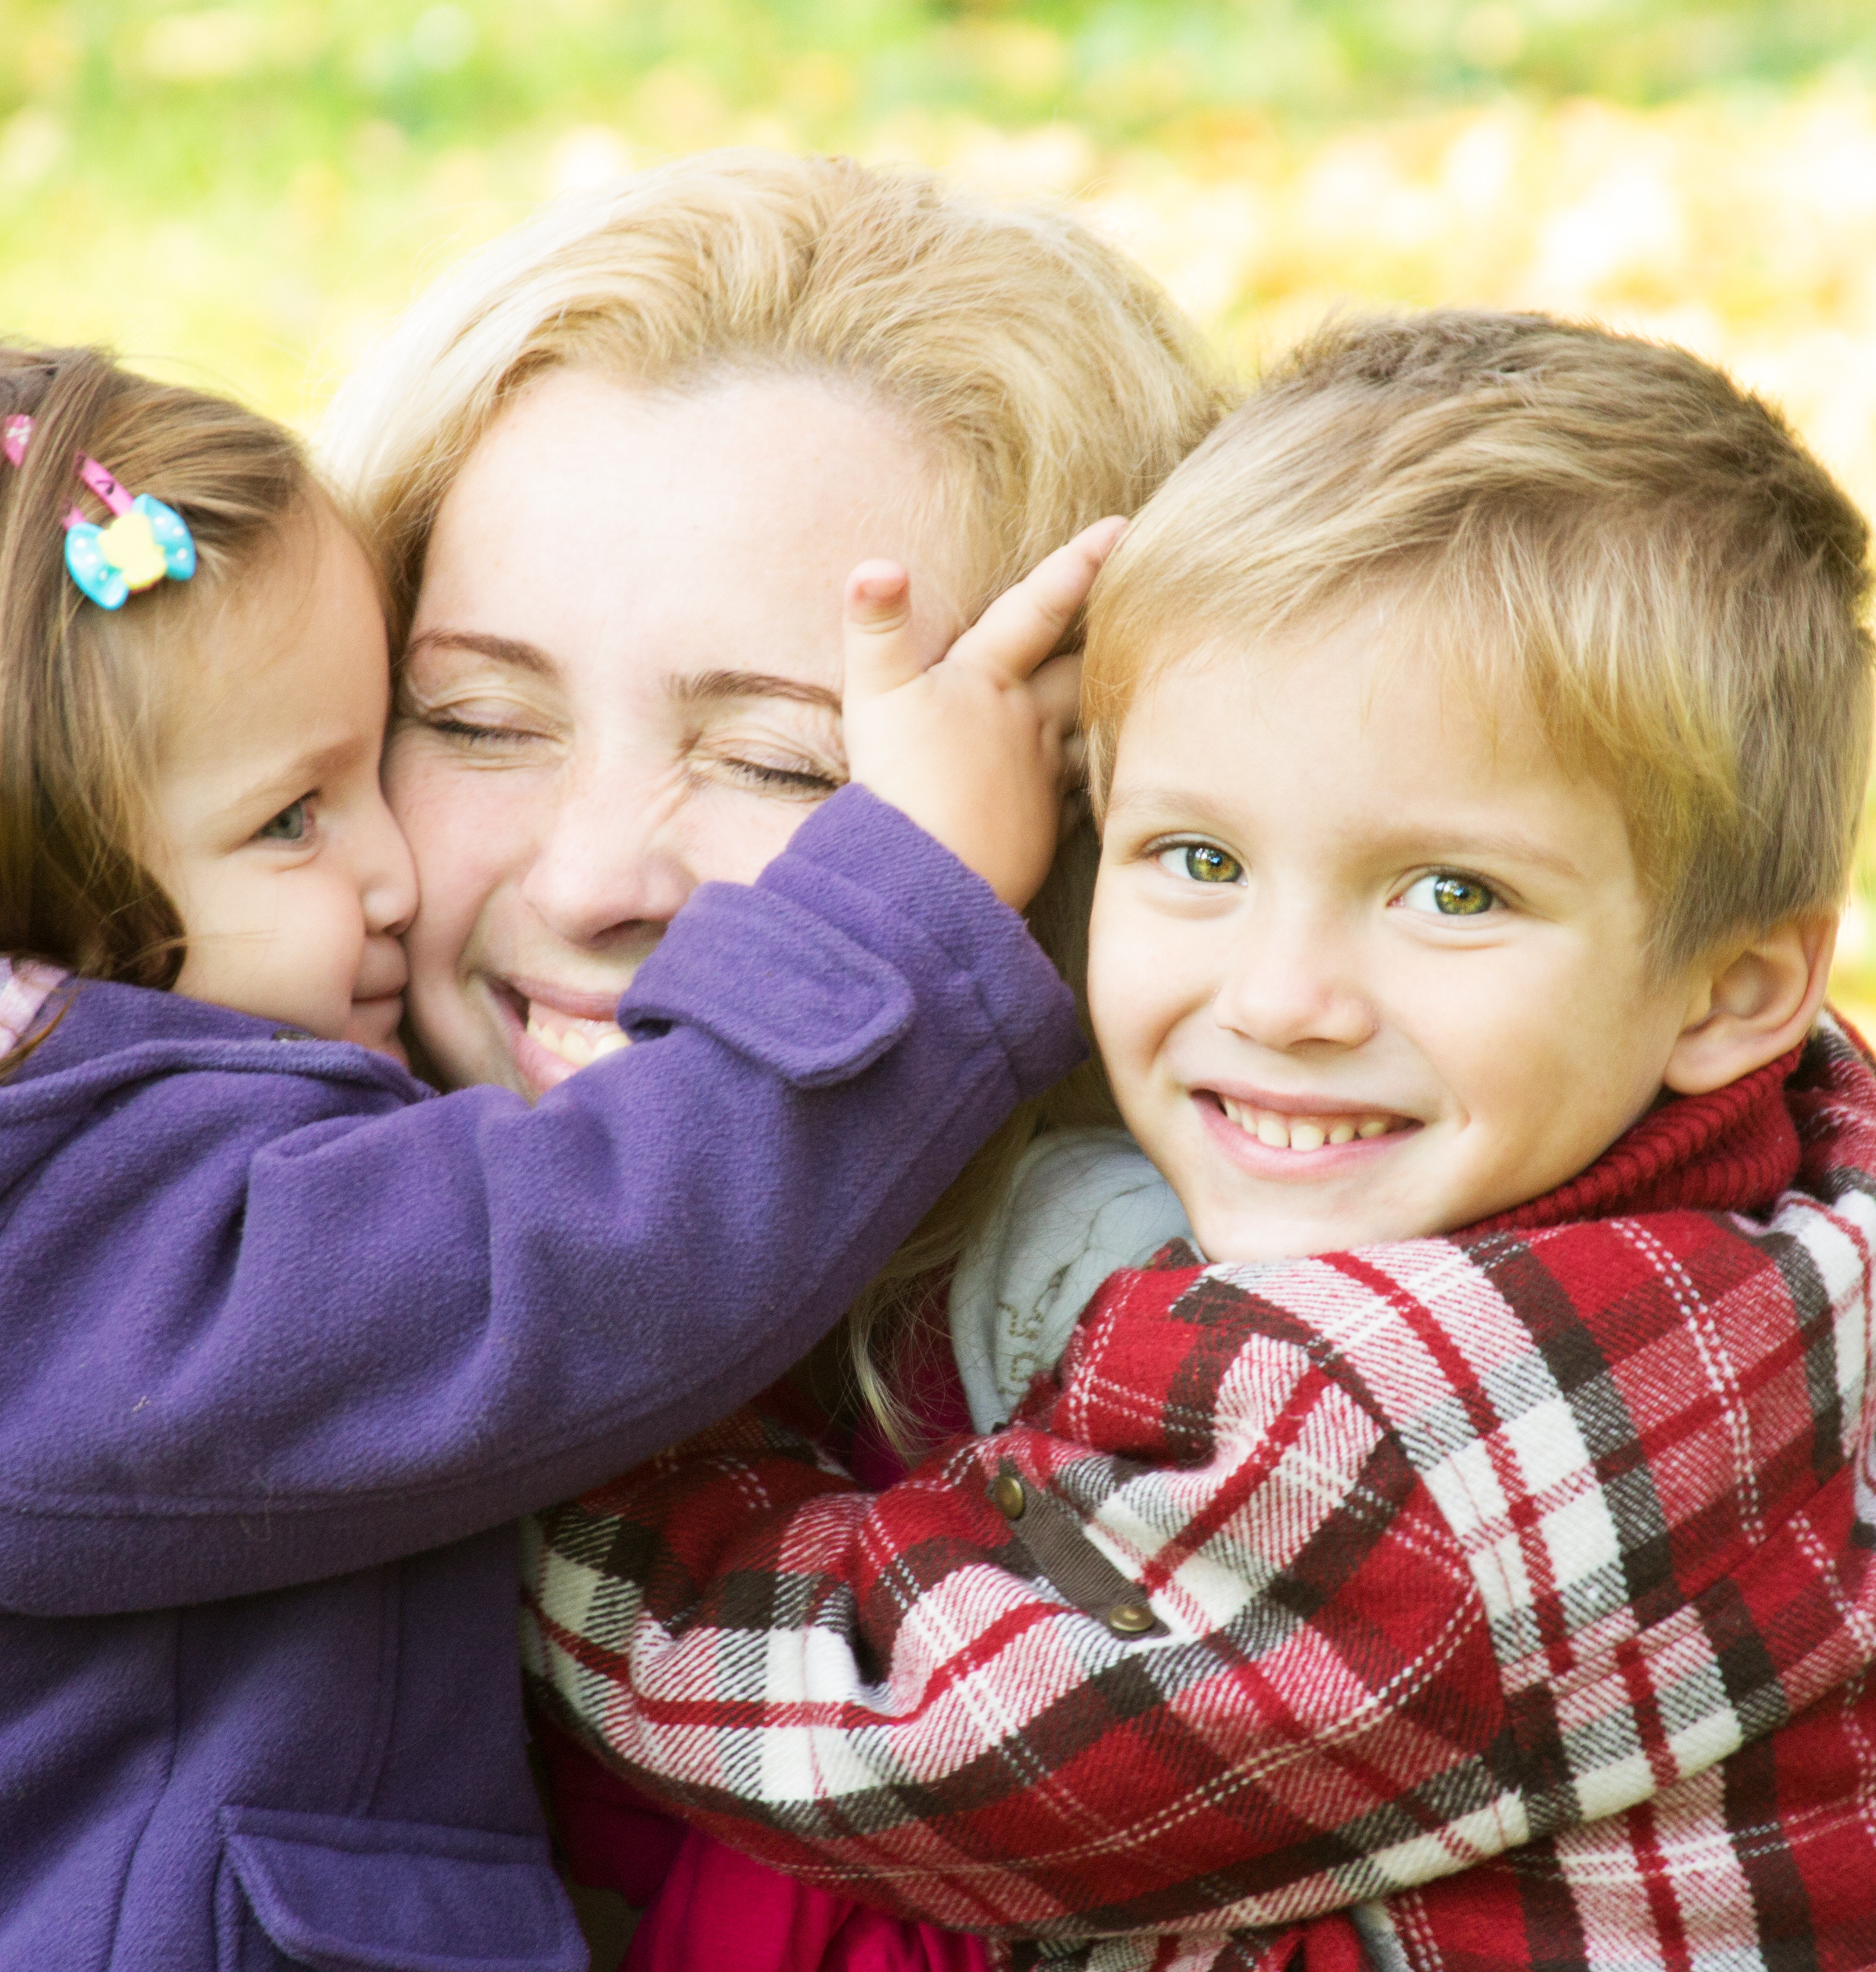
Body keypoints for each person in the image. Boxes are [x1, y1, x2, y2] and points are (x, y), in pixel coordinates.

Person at [0, 332, 1114, 1971]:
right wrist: (904, 903)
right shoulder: (32, 1245)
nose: (394, 876)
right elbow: (565, 1268)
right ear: (3, 871)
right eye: (291, 818)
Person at [527, 314, 1876, 1971]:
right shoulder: (1837, 1160)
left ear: (1733, 984)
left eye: (1452, 893)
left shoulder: (1410, 1433)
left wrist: (568, 1434)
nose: (1286, 993)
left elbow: (884, 1728)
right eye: (1195, 855)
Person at [313, 149, 1225, 1960]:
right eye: (479, 719)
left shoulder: (1205, 1396)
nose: (588, 878)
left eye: (789, 764)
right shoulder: (157, 1269)